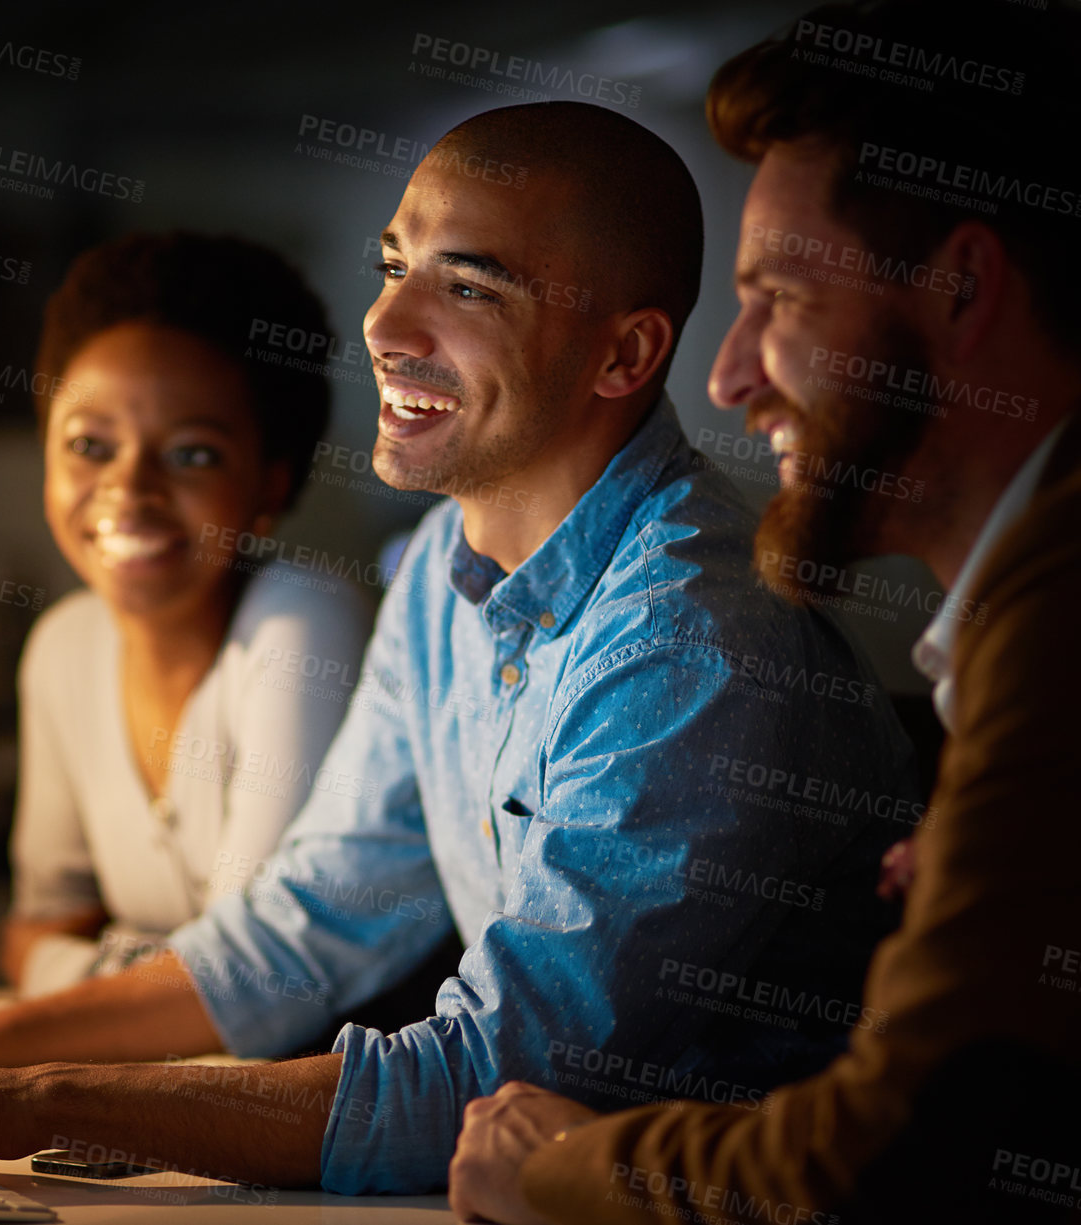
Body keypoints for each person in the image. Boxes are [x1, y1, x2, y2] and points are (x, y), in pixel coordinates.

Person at [0, 101, 921, 1196]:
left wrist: (24, 1102)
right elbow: (305, 926)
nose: (384, 326)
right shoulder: (435, 577)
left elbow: (480, 1079)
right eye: (394, 266)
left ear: (621, 358)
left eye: (469, 289)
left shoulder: (687, 637)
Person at [447, 4, 1081, 1223]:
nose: (730, 377)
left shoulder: (1059, 626)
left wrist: (556, 1169)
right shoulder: (1021, 613)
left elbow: (889, 1150)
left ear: (959, 289)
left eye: (778, 299)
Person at [0, 232, 370, 998]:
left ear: (270, 486)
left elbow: (247, 988)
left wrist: (76, 967)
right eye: (89, 444)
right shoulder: (63, 647)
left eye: (192, 454)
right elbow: (32, 929)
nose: (128, 489)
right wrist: (146, 968)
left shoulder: (299, 626)